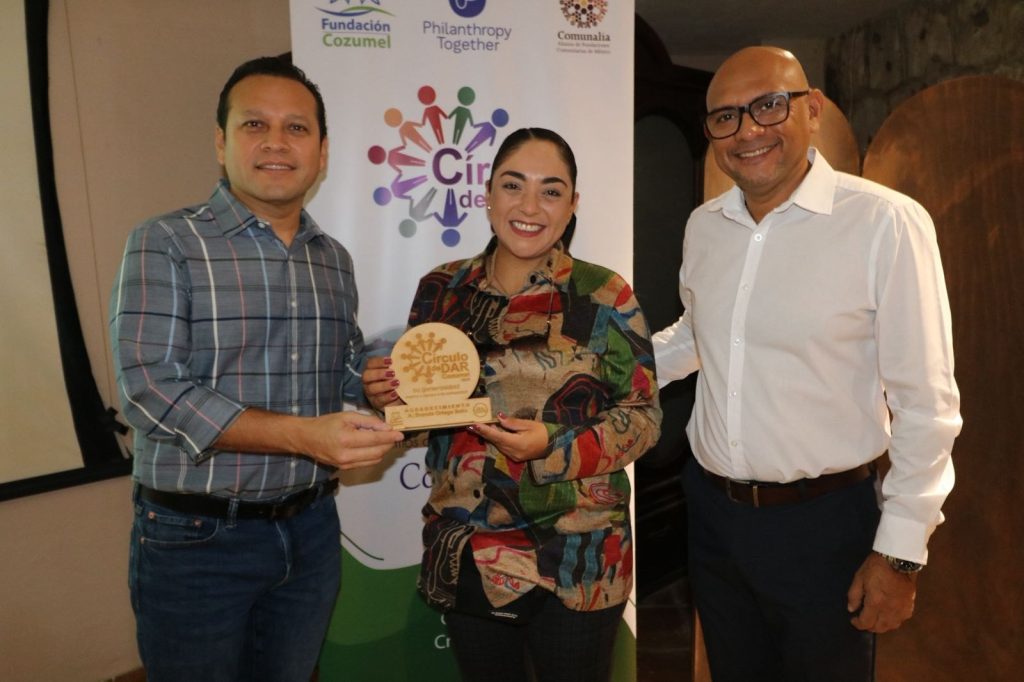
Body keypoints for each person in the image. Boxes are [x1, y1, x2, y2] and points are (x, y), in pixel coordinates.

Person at [652, 46, 961, 681]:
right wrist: (591, 372)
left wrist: (900, 554)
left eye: (769, 106)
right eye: (726, 117)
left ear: (813, 109)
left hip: (826, 528)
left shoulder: (885, 223)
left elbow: (926, 404)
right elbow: (697, 336)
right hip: (713, 517)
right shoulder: (705, 226)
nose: (748, 131)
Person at [109, 56, 404, 681]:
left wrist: (375, 382)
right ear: (221, 143)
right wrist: (303, 436)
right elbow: (148, 388)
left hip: (312, 529)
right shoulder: (166, 242)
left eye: (296, 128)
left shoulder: (333, 259)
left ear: (322, 152)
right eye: (254, 125)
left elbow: (343, 363)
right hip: (197, 539)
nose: (276, 142)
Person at [364, 128, 661, 682]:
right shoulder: (442, 290)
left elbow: (643, 417)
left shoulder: (603, 295)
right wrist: (387, 400)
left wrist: (553, 445)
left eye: (551, 191)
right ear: (487, 194)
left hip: (577, 557)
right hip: (470, 547)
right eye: (512, 185)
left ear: (572, 205)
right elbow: (424, 416)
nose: (529, 206)